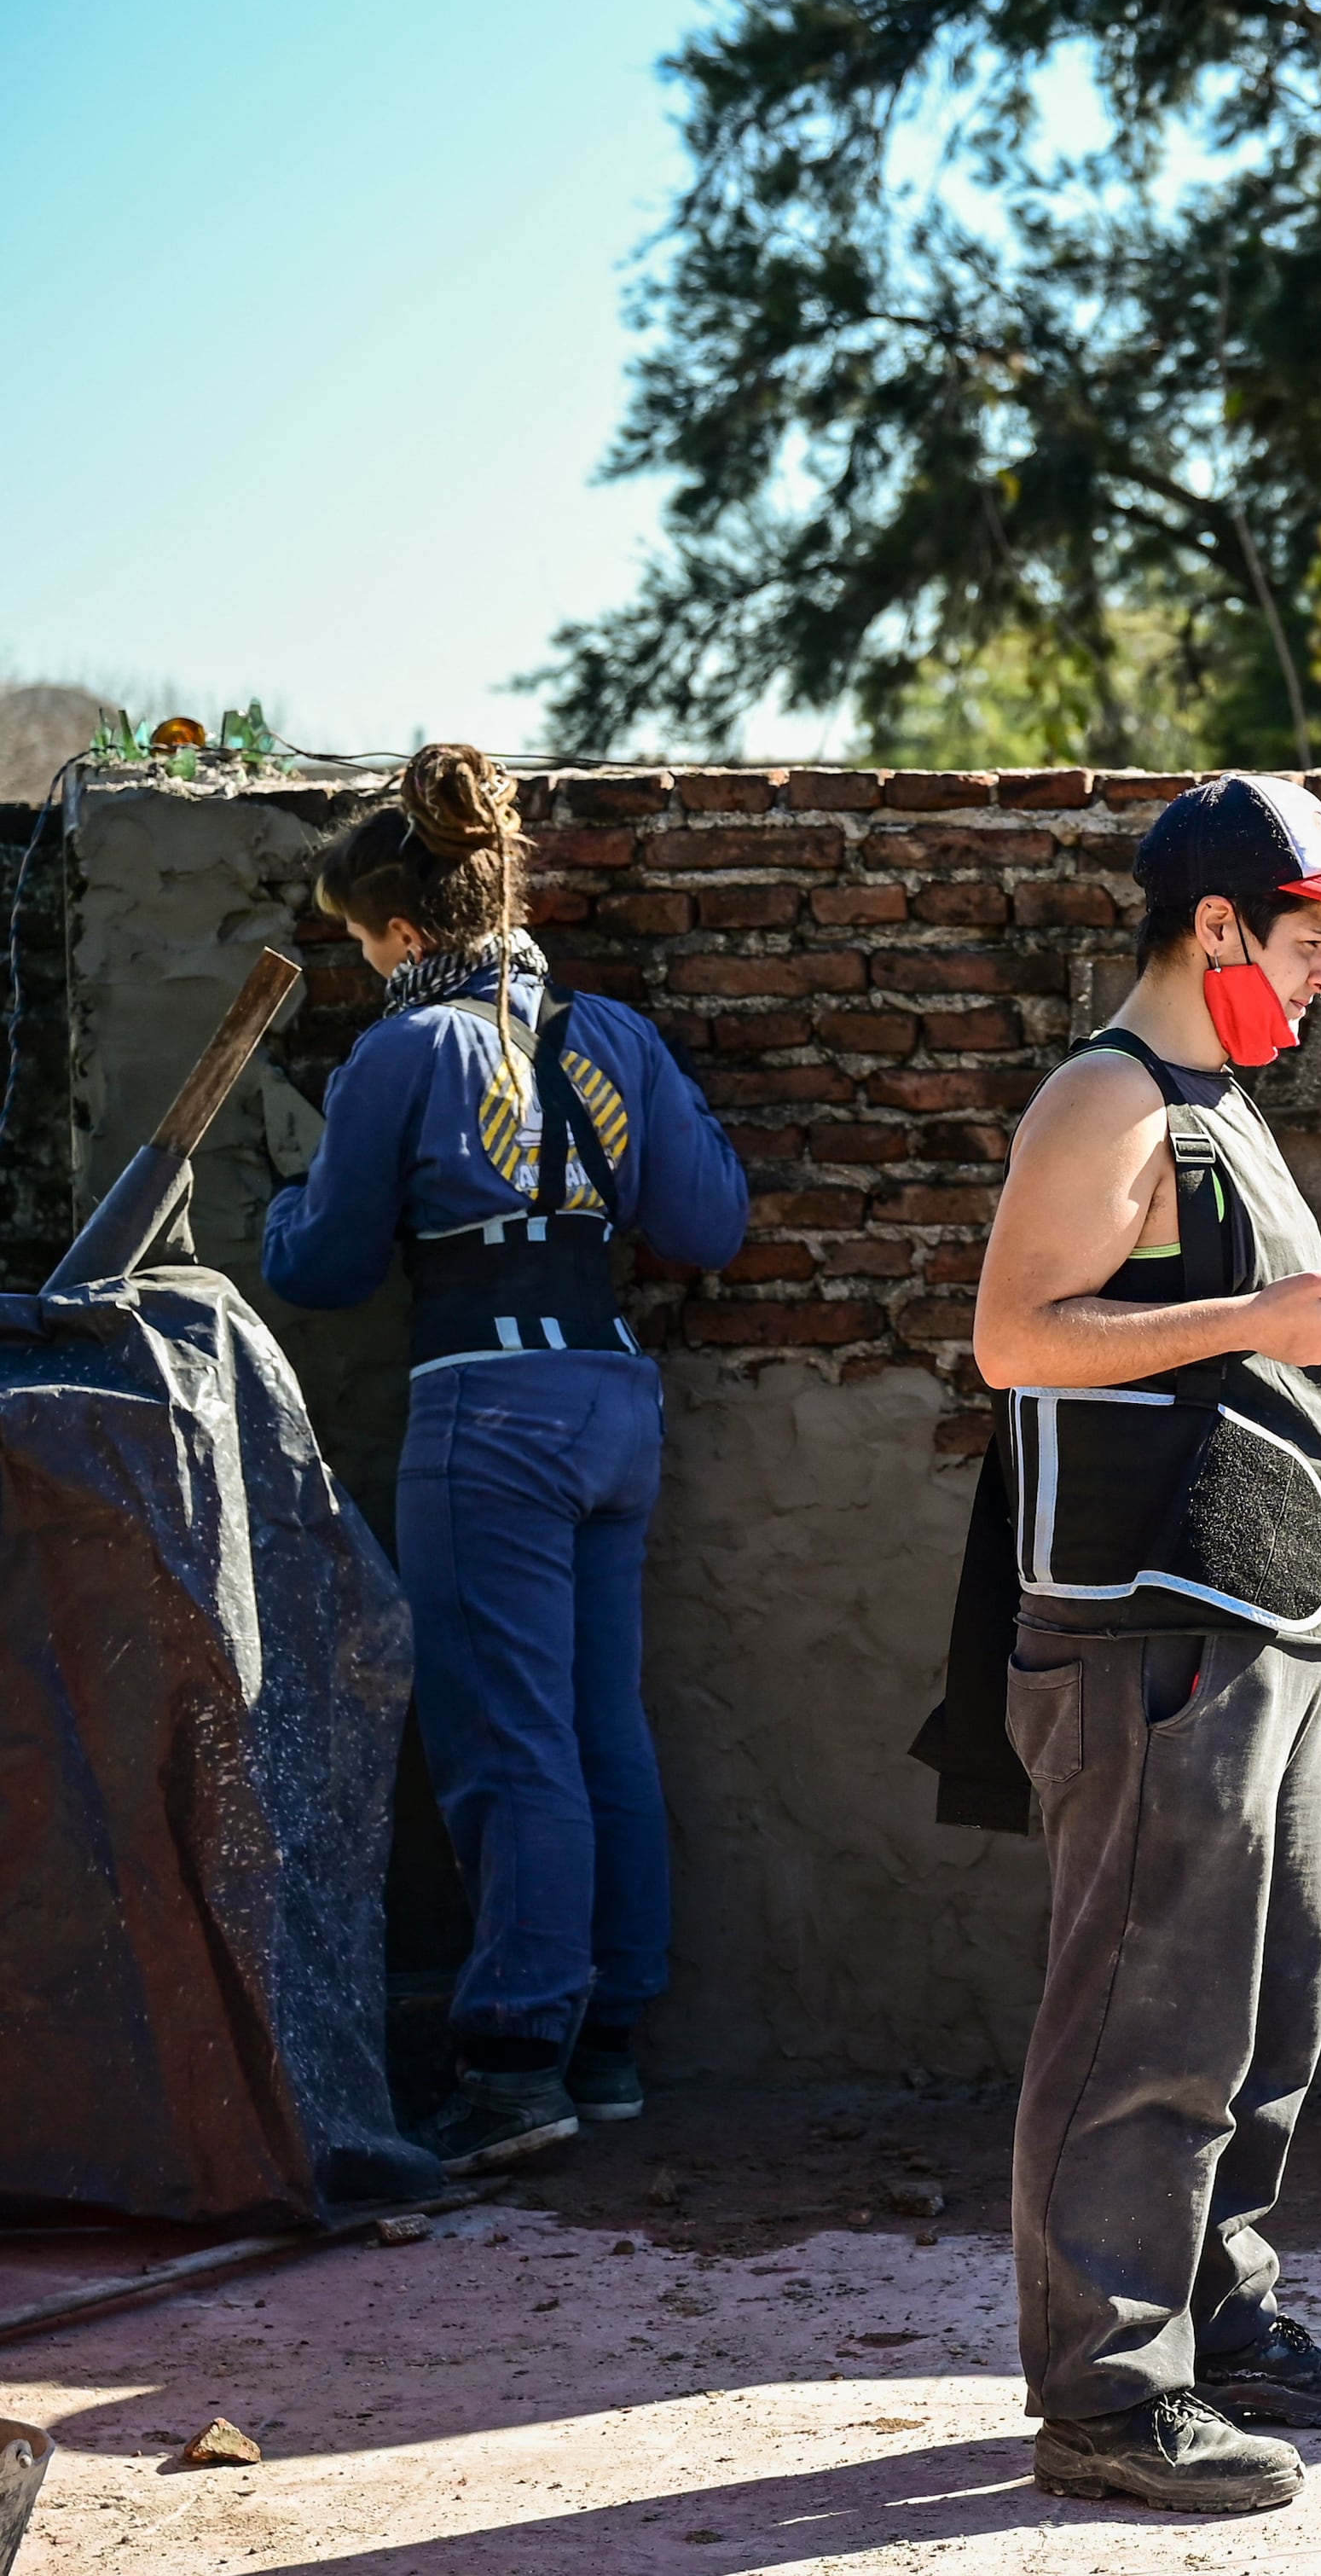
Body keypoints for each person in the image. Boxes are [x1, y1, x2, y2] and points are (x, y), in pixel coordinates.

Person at [970, 774, 1321, 2514]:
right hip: (1152, 1630)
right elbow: (1016, 1337)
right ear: (1217, 925)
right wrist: (1261, 1315)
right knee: (1144, 2013)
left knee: (1263, 2003)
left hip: (1254, 1631)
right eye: (1311, 940)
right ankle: (1104, 2390)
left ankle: (1219, 2326)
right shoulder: (1106, 1094)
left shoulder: (1216, 1102)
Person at [262, 746, 753, 2172]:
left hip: (488, 1409)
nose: (360, 965)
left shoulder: (402, 1053)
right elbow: (710, 1225)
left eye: (359, 940)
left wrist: (288, 1196)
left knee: (505, 1739)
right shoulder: (614, 1033)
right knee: (604, 1723)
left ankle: (515, 2056)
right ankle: (609, 2041)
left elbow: (330, 1264)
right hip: (613, 1398)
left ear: (404, 931)